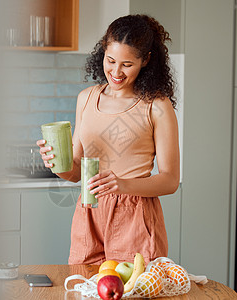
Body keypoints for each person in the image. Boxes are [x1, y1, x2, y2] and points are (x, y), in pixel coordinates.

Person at [36, 14, 180, 265]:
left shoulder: (157, 106)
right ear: (102, 51)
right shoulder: (87, 98)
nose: (115, 71)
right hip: (89, 213)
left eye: (127, 64)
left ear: (145, 60)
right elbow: (77, 171)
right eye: (110, 60)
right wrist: (57, 163)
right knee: (84, 288)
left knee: (131, 291)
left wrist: (123, 184)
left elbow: (170, 180)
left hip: (135, 217)